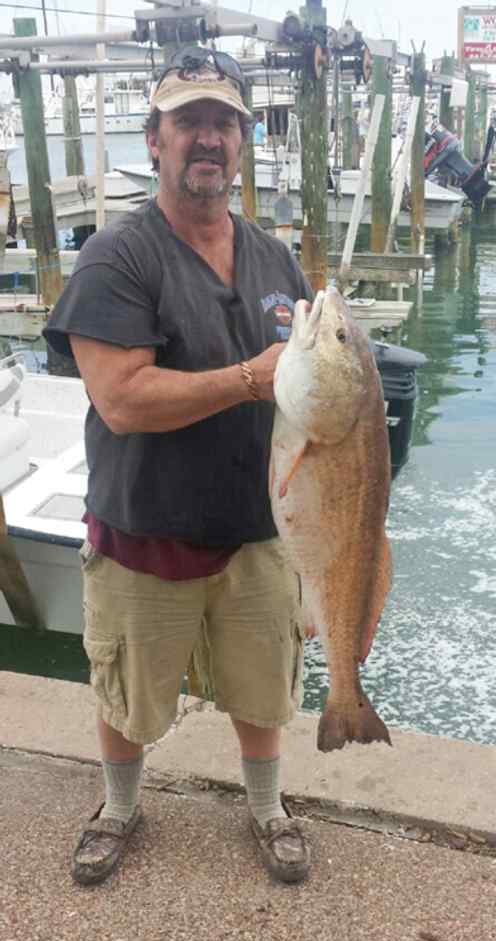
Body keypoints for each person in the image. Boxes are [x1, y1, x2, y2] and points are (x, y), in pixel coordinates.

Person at [44, 46, 313, 888]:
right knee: (128, 693)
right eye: (189, 122)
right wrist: (246, 380)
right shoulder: (118, 257)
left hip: (259, 528)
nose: (208, 139)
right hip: (143, 529)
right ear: (154, 140)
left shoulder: (275, 259)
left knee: (264, 687)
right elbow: (121, 398)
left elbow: (312, 391)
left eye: (224, 124)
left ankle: (267, 808)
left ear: (243, 143)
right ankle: (119, 807)